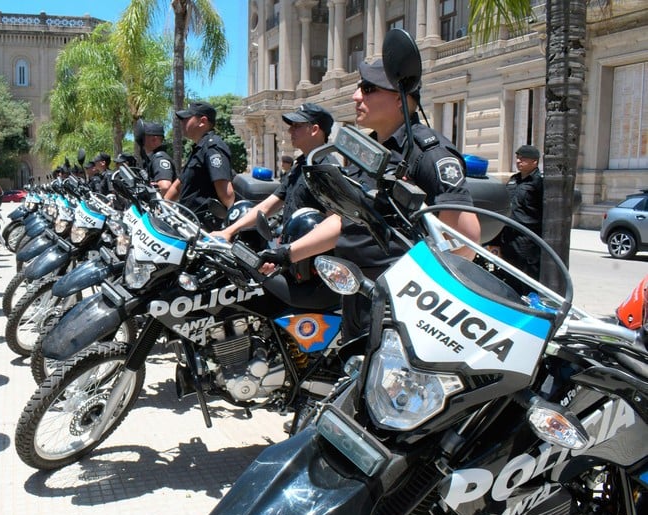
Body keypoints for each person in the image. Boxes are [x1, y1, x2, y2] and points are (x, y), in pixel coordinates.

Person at [258, 59, 481, 342]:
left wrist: (412, 290)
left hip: (399, 305)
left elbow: (465, 241)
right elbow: (344, 220)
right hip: (358, 290)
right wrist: (287, 254)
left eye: (367, 89)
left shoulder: (429, 154)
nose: (355, 96)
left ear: (401, 99)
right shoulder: (368, 153)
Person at [214, 102, 335, 277]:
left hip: (313, 266)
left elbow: (335, 224)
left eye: (297, 126)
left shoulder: (326, 169)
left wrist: (286, 255)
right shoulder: (300, 165)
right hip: (290, 256)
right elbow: (268, 205)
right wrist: (229, 231)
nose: (290, 131)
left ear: (315, 129)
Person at [165, 101, 235, 229]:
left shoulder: (213, 147)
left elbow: (227, 195)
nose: (182, 122)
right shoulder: (199, 148)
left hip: (205, 228)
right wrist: (163, 207)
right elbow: (179, 185)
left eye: (187, 119)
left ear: (202, 121)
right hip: (188, 224)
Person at [500, 144, 544, 288]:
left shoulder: (539, 182)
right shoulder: (514, 179)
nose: (518, 161)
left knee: (526, 279)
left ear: (535, 162)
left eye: (523, 159)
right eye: (518, 158)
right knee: (508, 275)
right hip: (508, 236)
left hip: (527, 239)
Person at [142, 121, 175, 197]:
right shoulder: (151, 159)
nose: (141, 140)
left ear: (154, 139)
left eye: (144, 137)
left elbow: (165, 187)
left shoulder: (159, 158)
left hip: (163, 207)